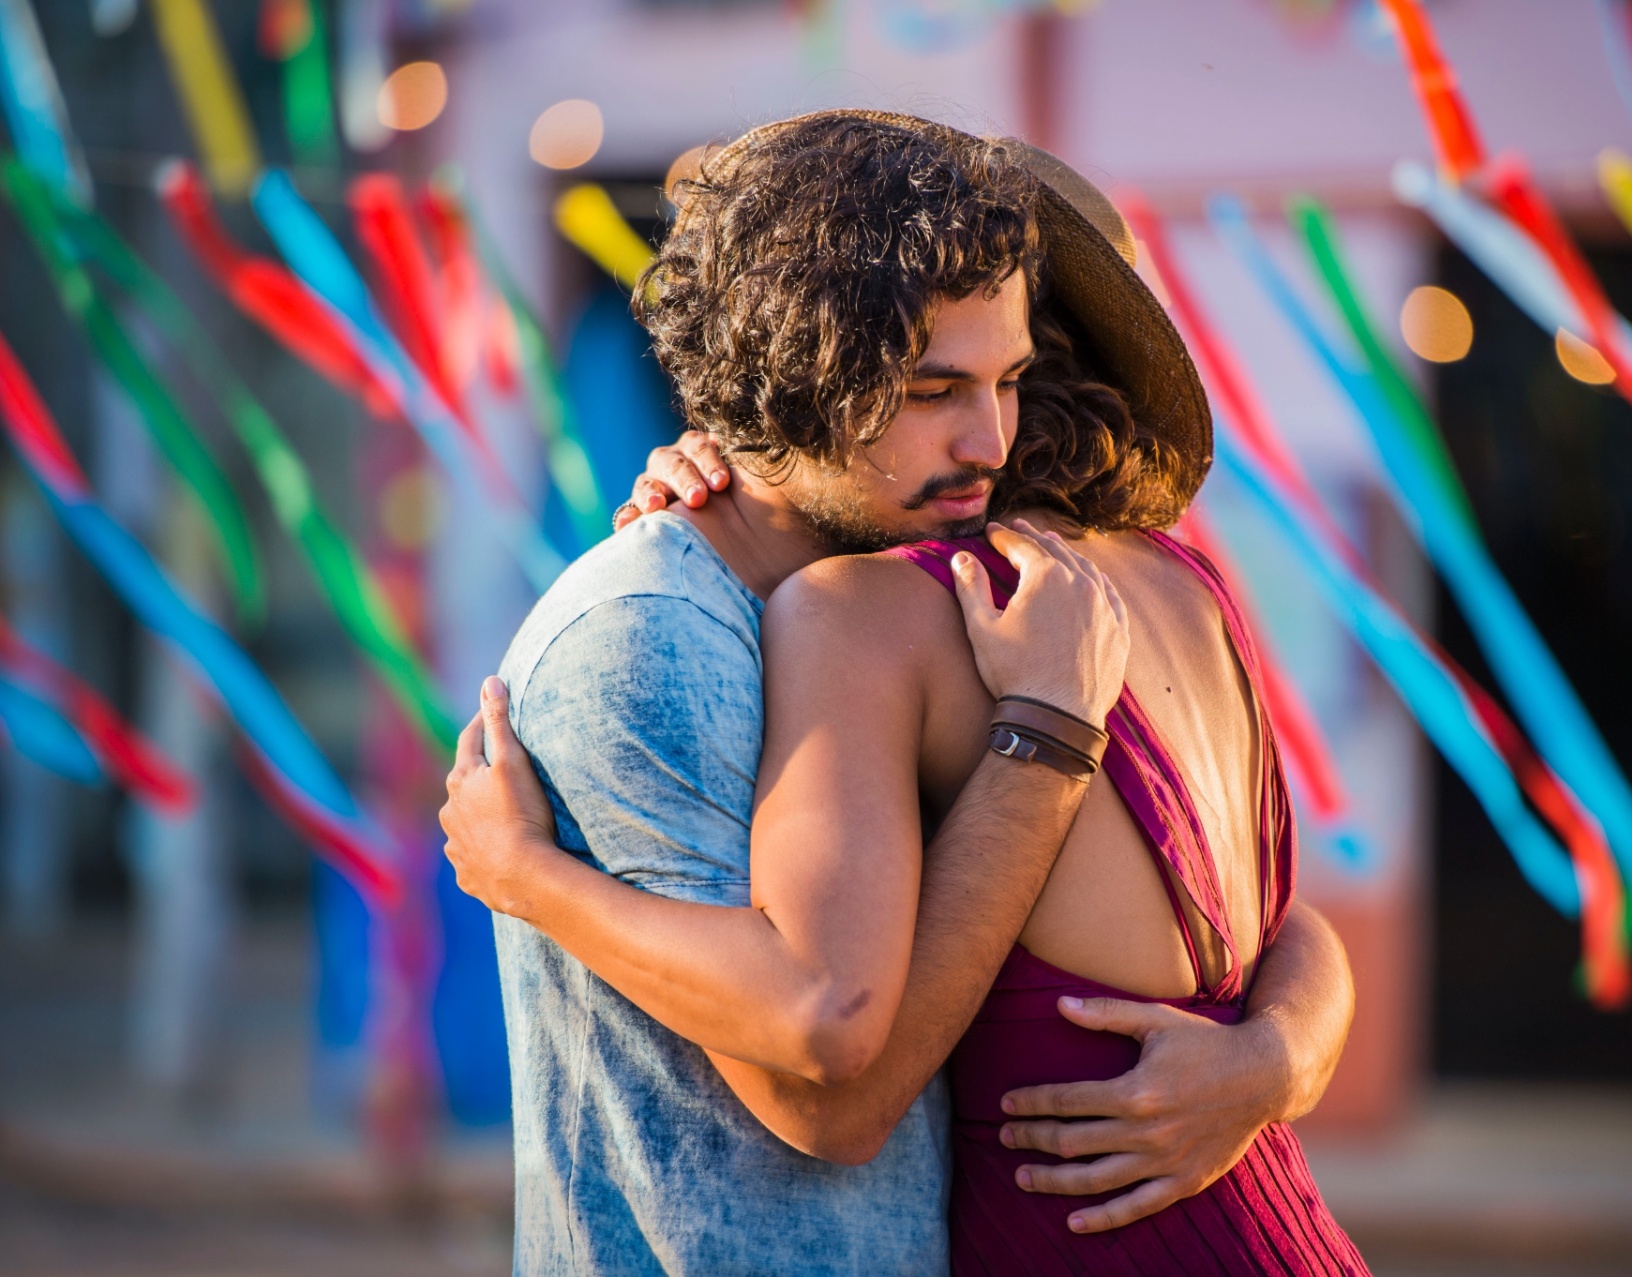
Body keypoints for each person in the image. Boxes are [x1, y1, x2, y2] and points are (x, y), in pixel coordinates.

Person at [441, 110, 1364, 1275]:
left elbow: (835, 1058)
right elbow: (1296, 929)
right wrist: (1277, 1054)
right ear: (810, 369)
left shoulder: (891, 612)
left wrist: (526, 878)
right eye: (936, 386)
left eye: (1010, 378)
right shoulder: (1165, 582)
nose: (986, 434)